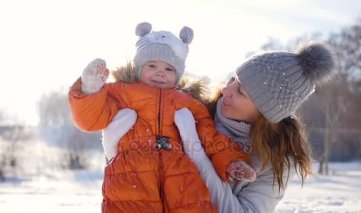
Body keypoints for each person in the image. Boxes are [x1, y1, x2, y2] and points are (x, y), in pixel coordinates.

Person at [106, 41, 337, 212]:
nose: (226, 91)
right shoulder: (192, 111)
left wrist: (196, 153)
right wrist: (112, 149)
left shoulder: (275, 160)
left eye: (241, 92)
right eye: (232, 81)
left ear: (265, 113)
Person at [68, 22, 255, 212]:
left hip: (180, 173)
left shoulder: (188, 102)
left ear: (178, 74)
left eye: (169, 69)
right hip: (129, 173)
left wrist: (231, 162)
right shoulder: (122, 92)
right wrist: (90, 91)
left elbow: (210, 137)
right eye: (152, 65)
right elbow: (91, 120)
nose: (160, 73)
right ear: (139, 67)